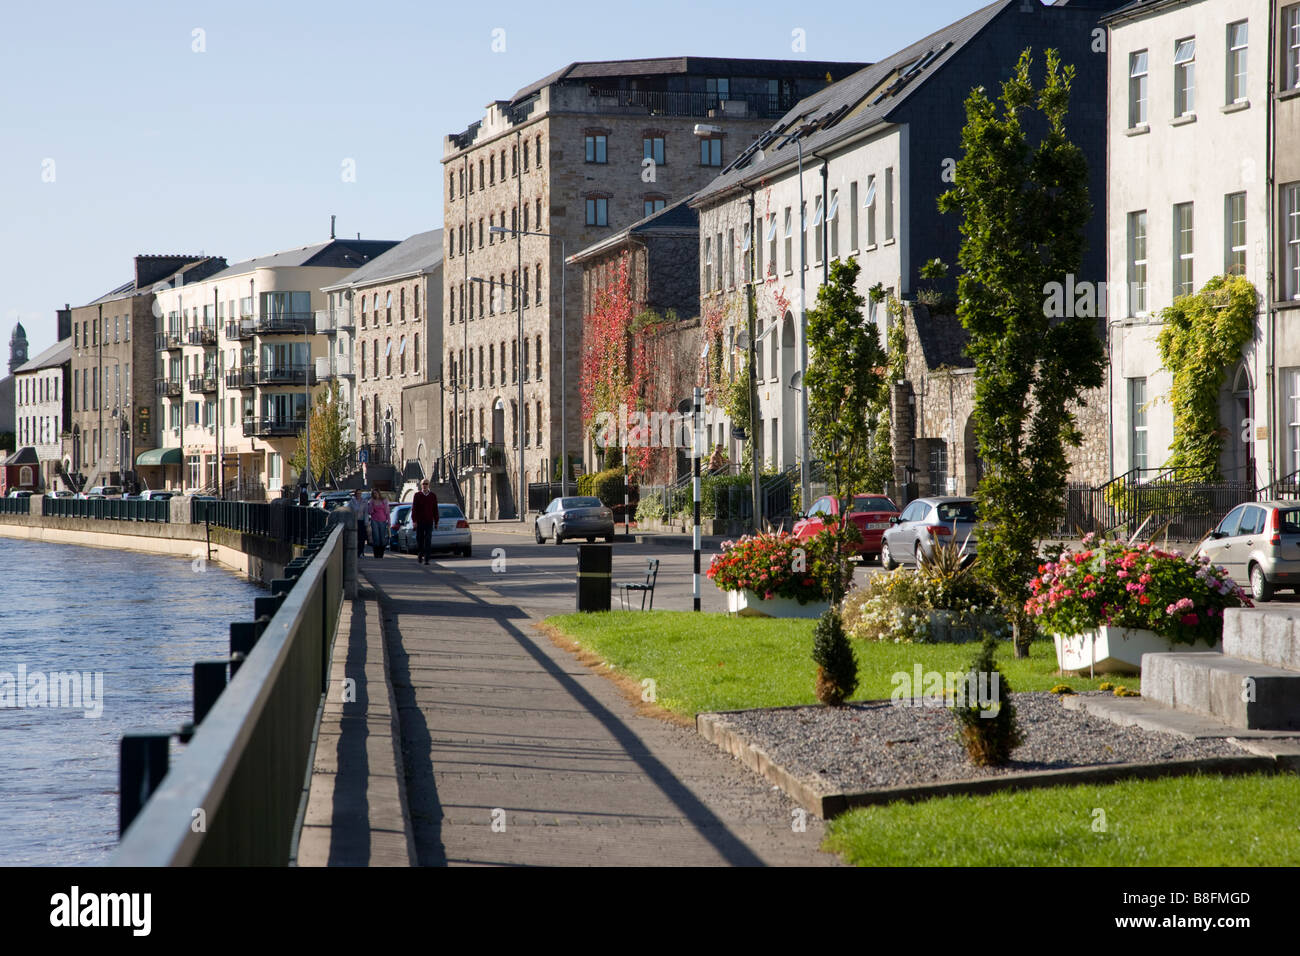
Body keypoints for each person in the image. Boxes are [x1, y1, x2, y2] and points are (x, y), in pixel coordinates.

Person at [412, 479, 439, 564]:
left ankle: (427, 558)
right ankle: (420, 554)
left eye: (426, 484)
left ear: (429, 485)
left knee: (428, 539)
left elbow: (435, 509)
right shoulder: (417, 495)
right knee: (420, 539)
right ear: (421, 485)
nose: (425, 485)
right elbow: (414, 509)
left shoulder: (432, 496)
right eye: (423, 484)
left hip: (429, 521)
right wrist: (414, 521)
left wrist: (436, 521)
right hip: (420, 521)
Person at [369, 488, 391, 559]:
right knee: (376, 537)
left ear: (379, 493)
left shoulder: (384, 501)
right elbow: (369, 512)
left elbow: (387, 512)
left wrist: (389, 521)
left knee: (382, 538)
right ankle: (376, 553)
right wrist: (372, 504)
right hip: (374, 520)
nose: (375, 494)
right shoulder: (372, 501)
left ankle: (381, 554)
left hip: (383, 520)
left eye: (376, 493)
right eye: (374, 493)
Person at [349, 487, 369, 557]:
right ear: (355, 494)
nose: (359, 495)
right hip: (354, 521)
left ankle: (361, 551)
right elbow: (349, 511)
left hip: (362, 521)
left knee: (362, 538)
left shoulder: (364, 501)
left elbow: (366, 512)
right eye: (357, 493)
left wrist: (366, 522)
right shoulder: (352, 502)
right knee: (355, 537)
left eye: (360, 493)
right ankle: (356, 552)